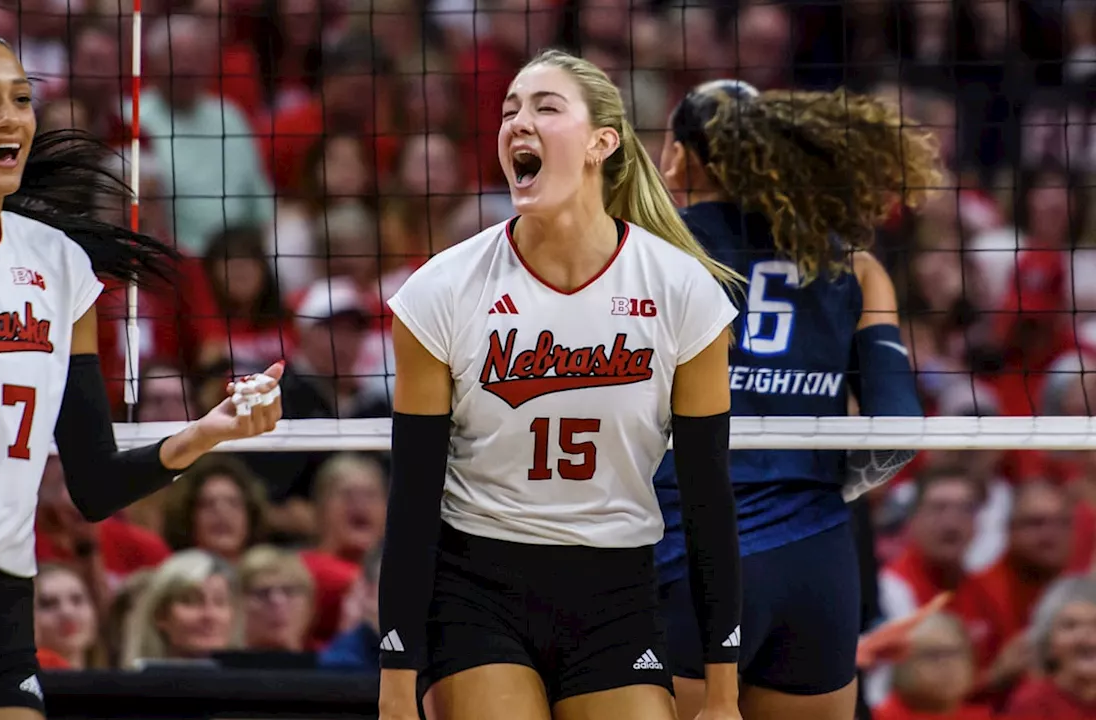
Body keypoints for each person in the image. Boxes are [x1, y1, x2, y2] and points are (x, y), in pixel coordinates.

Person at [0, 29, 283, 720]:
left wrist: (205, 434)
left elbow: (92, 484)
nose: (9, 117)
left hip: (0, 608)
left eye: (22, 99)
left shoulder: (61, 265)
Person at [377, 49, 744, 720]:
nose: (520, 121)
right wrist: (395, 681)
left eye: (546, 107)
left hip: (616, 594)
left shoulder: (681, 291)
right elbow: (412, 498)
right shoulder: (443, 290)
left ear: (601, 142)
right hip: (476, 587)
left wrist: (722, 694)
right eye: (510, 109)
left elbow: (707, 500)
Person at [654, 79, 942, 720]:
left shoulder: (651, 251)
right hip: (815, 566)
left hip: (683, 553)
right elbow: (894, 434)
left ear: (680, 157)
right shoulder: (855, 267)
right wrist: (808, 481)